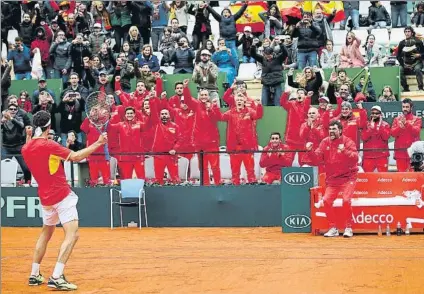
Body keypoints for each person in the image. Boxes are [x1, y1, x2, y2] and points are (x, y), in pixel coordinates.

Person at [22, 110, 108, 290]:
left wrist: (28, 136)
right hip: (61, 196)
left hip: (45, 198)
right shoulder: (49, 145)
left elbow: (31, 145)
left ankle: (34, 274)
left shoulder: (26, 148)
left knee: (46, 232)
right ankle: (57, 276)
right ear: (49, 126)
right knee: (72, 235)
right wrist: (98, 143)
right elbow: (76, 157)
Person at [306, 120, 359, 238]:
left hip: (348, 177)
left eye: (334, 129)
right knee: (326, 201)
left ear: (340, 130)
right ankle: (333, 228)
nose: (331, 131)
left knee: (346, 200)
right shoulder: (325, 142)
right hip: (333, 179)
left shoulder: (348, 142)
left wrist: (344, 150)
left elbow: (355, 158)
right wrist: (310, 151)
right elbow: (316, 159)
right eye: (330, 129)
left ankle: (348, 227)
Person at [390, 99, 422, 172]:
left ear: (411, 107)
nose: (405, 109)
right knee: (401, 176)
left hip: (413, 152)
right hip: (400, 152)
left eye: (407, 107)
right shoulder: (397, 119)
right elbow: (392, 134)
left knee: (413, 176)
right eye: (403, 107)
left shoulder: (417, 119)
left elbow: (416, 132)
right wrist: (399, 127)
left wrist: (407, 124)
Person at [361, 106, 390, 172]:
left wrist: (380, 126)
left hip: (382, 156)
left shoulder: (385, 125)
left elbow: (385, 137)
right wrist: (371, 127)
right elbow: (364, 138)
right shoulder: (366, 124)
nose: (374, 115)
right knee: (367, 178)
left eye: (377, 113)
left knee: (384, 178)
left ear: (380, 115)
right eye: (373, 113)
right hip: (368, 157)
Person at [397, 26, 424, 92]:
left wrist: (419, 55)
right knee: (399, 70)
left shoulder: (419, 42)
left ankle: (420, 88)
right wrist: (403, 64)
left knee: (417, 69)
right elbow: (398, 56)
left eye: (409, 31)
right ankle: (406, 88)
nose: (407, 33)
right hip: (405, 63)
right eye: (406, 32)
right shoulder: (402, 43)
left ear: (412, 33)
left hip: (417, 63)